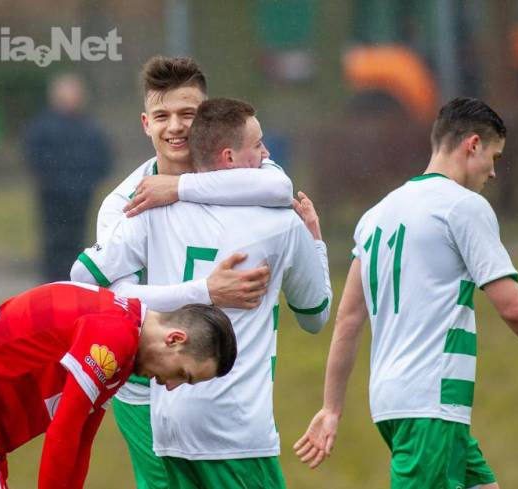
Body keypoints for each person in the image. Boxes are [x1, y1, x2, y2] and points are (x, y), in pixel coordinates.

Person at [294, 97, 518, 488]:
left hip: (394, 404)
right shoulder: (463, 207)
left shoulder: (376, 215)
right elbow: (514, 308)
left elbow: (349, 318)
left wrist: (331, 408)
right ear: (473, 145)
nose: (493, 172)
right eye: (495, 157)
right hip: (430, 402)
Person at [72, 97, 332, 488]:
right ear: (229, 157)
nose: (267, 154)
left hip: (168, 427)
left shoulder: (153, 208)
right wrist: (315, 242)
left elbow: (85, 278)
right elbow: (315, 315)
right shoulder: (282, 223)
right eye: (258, 145)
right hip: (236, 429)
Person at [0, 281, 236, 489]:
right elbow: (64, 431)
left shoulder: (125, 342)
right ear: (174, 339)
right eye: (183, 374)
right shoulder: (114, 337)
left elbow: (81, 442)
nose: (170, 386)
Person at [24, 73, 113, 282]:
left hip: (82, 198)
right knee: (54, 243)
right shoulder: (43, 127)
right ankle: (52, 285)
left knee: (76, 242)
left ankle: (73, 284)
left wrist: (86, 183)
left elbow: (104, 158)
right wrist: (57, 183)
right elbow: (35, 158)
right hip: (53, 198)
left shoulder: (90, 128)